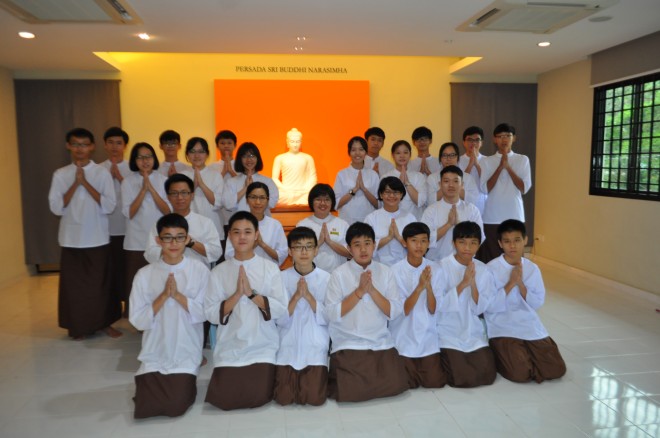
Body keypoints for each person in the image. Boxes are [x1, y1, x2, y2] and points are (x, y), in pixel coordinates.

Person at [205, 211, 287, 410]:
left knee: (258, 397)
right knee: (225, 400)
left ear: (256, 235)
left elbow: (280, 307)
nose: (242, 237)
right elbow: (209, 312)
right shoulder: (218, 271)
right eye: (237, 232)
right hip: (230, 343)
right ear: (230, 236)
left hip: (262, 342)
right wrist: (235, 296)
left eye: (247, 232)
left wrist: (251, 295)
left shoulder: (270, 268)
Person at [129, 213, 209, 419]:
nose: (174, 243)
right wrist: (163, 297)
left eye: (179, 237)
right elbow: (137, 319)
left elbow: (205, 312)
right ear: (158, 240)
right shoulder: (144, 274)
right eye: (167, 237)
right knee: (146, 410)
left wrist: (179, 296)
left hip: (186, 350)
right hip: (155, 351)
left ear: (187, 239)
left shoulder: (199, 270)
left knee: (175, 406)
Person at [48, 127, 122, 339]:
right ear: (68, 146)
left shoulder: (101, 173)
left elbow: (109, 206)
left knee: (100, 284)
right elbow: (56, 207)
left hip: (97, 237)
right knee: (75, 288)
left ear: (92, 147)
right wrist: (75, 183)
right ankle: (78, 326)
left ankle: (105, 324)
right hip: (71, 239)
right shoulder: (61, 174)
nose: (80, 149)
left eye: (84, 145)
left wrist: (85, 183)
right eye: (75, 144)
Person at [324, 222, 408, 402]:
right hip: (348, 341)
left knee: (396, 385)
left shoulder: (385, 272)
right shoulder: (338, 274)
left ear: (374, 245)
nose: (363, 249)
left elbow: (393, 311)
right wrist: (359, 292)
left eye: (367, 243)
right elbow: (331, 313)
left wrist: (371, 290)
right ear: (349, 248)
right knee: (349, 392)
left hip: (379, 340)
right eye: (357, 244)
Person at [485, 219, 566, 383]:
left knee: (557, 369)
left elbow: (537, 303)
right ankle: (505, 354)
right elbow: (489, 306)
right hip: (502, 325)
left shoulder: (532, 268)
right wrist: (510, 283)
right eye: (507, 241)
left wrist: (520, 283)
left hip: (528, 323)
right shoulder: (491, 269)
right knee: (519, 374)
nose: (512, 246)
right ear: (500, 243)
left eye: (517, 240)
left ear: (525, 240)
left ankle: (527, 355)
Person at [273, 227, 331, 406]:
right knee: (283, 398)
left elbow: (329, 316)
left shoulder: (327, 278)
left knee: (314, 398)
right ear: (290, 251)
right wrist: (297, 296)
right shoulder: (280, 278)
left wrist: (309, 297)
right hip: (288, 340)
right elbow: (278, 318)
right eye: (298, 247)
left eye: (308, 247)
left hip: (315, 341)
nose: (304, 252)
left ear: (316, 250)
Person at [436, 221, 497, 388]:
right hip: (448, 327)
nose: (467, 248)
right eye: (462, 242)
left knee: (487, 375)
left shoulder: (483, 270)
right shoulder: (441, 267)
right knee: (460, 377)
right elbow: (439, 305)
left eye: (473, 243)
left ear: (479, 244)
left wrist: (473, 283)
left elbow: (481, 308)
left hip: (472, 328)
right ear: (453, 243)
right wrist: (463, 283)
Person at [389, 222, 448, 389]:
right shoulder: (394, 271)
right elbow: (404, 310)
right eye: (414, 240)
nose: (419, 245)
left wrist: (428, 288)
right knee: (406, 383)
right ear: (405, 243)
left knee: (434, 382)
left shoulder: (436, 269)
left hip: (427, 335)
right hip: (403, 335)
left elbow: (433, 309)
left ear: (429, 243)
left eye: (424, 241)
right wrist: (419, 287)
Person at [121, 143, 170, 307]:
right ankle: (138, 320)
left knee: (158, 282)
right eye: (140, 157)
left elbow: (168, 211)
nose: (145, 161)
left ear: (154, 158)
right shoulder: (127, 182)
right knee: (137, 284)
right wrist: (143, 190)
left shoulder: (163, 180)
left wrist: (152, 190)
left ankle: (160, 317)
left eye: (148, 156)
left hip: (158, 241)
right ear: (134, 160)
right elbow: (129, 213)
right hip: (135, 241)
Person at [479, 123, 532, 263]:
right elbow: (485, 189)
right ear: (494, 139)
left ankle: (514, 283)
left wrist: (508, 167)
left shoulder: (522, 159)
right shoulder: (486, 161)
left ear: (514, 138)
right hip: (492, 216)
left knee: (514, 255)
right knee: (492, 257)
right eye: (500, 136)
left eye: (507, 136)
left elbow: (524, 188)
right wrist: (499, 168)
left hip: (514, 214)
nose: (504, 139)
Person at [144, 173, 221, 268]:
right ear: (168, 197)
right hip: (168, 273)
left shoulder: (205, 222)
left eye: (184, 193)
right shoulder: (160, 224)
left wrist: (191, 243)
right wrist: (170, 246)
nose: (180, 197)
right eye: (174, 193)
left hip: (198, 275)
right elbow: (149, 254)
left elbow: (216, 253)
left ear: (192, 195)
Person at [421, 165, 484, 262]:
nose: (451, 185)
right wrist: (448, 225)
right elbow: (424, 239)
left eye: (455, 181)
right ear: (440, 184)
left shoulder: (472, 210)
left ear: (462, 185)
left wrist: (459, 225)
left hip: (464, 264)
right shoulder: (431, 210)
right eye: (446, 181)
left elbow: (480, 238)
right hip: (436, 263)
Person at [100, 127, 131, 316]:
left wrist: (120, 178)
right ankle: (110, 311)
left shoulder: (132, 168)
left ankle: (129, 309)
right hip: (105, 231)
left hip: (128, 230)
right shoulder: (97, 169)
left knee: (127, 273)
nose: (114, 147)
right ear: (104, 145)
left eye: (119, 143)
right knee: (109, 274)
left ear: (125, 146)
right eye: (110, 142)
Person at [224, 182, 288, 266]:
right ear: (247, 200)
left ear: (267, 200)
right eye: (253, 197)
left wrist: (262, 244)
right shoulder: (237, 224)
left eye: (262, 198)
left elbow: (281, 256)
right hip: (242, 271)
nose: (257, 202)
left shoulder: (275, 225)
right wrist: (253, 245)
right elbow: (229, 255)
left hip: (268, 273)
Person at [296, 183, 351, 273]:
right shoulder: (302, 225)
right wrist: (319, 242)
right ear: (311, 201)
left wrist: (330, 242)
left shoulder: (342, 224)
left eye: (327, 200)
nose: (323, 203)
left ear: (332, 202)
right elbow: (298, 253)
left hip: (337, 275)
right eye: (318, 199)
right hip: (311, 275)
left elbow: (350, 254)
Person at [364, 176, 416, 266]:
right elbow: (365, 246)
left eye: (396, 192)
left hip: (404, 268)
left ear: (401, 195)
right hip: (379, 267)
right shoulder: (371, 218)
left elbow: (417, 246)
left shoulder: (410, 218)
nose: (392, 196)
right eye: (387, 192)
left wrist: (399, 238)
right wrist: (388, 237)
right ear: (381, 194)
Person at [183, 137, 225, 242]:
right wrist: (193, 186)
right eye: (192, 151)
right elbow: (180, 202)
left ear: (207, 154)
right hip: (189, 229)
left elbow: (218, 203)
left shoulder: (215, 175)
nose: (197, 155)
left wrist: (201, 184)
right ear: (187, 154)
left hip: (212, 228)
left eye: (201, 151)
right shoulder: (182, 175)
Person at [222, 142, 279, 216]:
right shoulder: (231, 182)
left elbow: (272, 203)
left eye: (252, 156)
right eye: (245, 156)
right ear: (240, 159)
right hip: (240, 223)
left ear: (257, 158)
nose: (249, 159)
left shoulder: (267, 181)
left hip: (262, 224)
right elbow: (228, 205)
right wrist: (245, 188)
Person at [333, 136, 379, 225]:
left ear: (366, 152)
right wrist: (353, 190)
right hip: (346, 222)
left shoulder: (373, 175)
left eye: (361, 149)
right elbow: (336, 204)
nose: (357, 153)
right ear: (349, 153)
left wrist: (364, 189)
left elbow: (378, 204)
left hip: (368, 221)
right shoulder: (342, 174)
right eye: (353, 150)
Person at [381, 139, 427, 219]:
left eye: (405, 152)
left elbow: (420, 202)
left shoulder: (418, 176)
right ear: (392, 155)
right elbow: (382, 203)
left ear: (410, 155)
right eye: (398, 153)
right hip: (392, 220)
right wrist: (398, 185)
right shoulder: (386, 177)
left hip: (414, 222)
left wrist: (407, 183)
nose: (402, 156)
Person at [271, 128, 317, 206]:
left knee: (313, 197)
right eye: (292, 142)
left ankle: (300, 199)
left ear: (301, 142)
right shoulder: (279, 158)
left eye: (297, 141)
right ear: (287, 142)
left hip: (303, 192)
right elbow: (274, 178)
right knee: (275, 197)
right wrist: (285, 189)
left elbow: (313, 177)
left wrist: (304, 189)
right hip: (286, 192)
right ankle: (297, 200)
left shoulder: (308, 158)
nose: (295, 145)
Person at [426, 142, 480, 209]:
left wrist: (458, 190)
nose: (448, 159)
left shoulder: (468, 178)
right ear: (440, 159)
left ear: (458, 158)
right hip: (439, 214)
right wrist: (445, 189)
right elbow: (429, 201)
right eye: (445, 155)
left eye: (452, 155)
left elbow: (475, 200)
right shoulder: (432, 178)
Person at [208, 130, 238, 237]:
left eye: (229, 143)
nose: (226, 146)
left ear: (235, 145)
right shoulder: (211, 167)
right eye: (222, 143)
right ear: (217, 146)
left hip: (238, 213)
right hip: (219, 215)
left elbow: (245, 185)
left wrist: (232, 172)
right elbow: (209, 189)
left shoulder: (241, 165)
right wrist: (223, 173)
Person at [459, 126, 488, 214]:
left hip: (483, 203)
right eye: (470, 140)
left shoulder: (488, 160)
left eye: (477, 140)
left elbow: (488, 183)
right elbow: (458, 182)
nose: (473, 143)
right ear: (464, 142)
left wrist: (477, 164)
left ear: (481, 142)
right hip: (463, 202)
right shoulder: (458, 160)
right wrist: (470, 164)